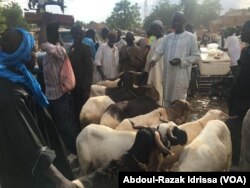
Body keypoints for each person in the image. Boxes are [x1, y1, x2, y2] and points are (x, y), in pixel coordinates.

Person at [0, 28, 75, 188]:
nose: (36, 54)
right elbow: (29, 145)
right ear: (22, 54)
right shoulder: (11, 93)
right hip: (25, 174)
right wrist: (61, 181)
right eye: (33, 50)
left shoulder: (19, 79)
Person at [39, 17, 78, 154]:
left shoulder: (59, 50)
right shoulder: (50, 54)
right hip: (50, 96)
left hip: (59, 97)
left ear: (53, 37)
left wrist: (43, 24)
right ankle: (65, 152)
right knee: (56, 127)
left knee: (64, 127)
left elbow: (42, 43)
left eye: (49, 34)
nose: (45, 37)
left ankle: (75, 152)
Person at [149, 11, 200, 107]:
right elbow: (159, 51)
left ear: (183, 21)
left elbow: (196, 56)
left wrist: (181, 60)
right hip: (168, 75)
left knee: (178, 102)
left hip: (180, 76)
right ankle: (169, 120)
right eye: (174, 21)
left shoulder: (190, 37)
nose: (176, 23)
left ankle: (179, 121)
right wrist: (153, 60)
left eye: (178, 21)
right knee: (167, 102)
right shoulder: (167, 38)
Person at [226, 20, 250, 168]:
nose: (242, 33)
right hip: (239, 100)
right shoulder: (246, 51)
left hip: (244, 102)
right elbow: (240, 75)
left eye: (246, 30)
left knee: (236, 133)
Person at [68, 25, 93, 129]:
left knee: (81, 112)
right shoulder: (71, 48)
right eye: (77, 33)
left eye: (81, 34)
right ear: (72, 34)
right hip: (72, 86)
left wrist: (86, 89)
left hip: (81, 87)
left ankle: (82, 132)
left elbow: (89, 69)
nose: (79, 36)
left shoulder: (86, 48)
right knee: (73, 110)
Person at [145, 20, 165, 105]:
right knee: (152, 86)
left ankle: (161, 105)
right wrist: (146, 68)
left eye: (155, 29)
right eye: (152, 29)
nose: (153, 31)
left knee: (159, 86)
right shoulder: (152, 38)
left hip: (161, 68)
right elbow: (149, 53)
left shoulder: (166, 39)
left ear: (160, 29)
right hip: (152, 68)